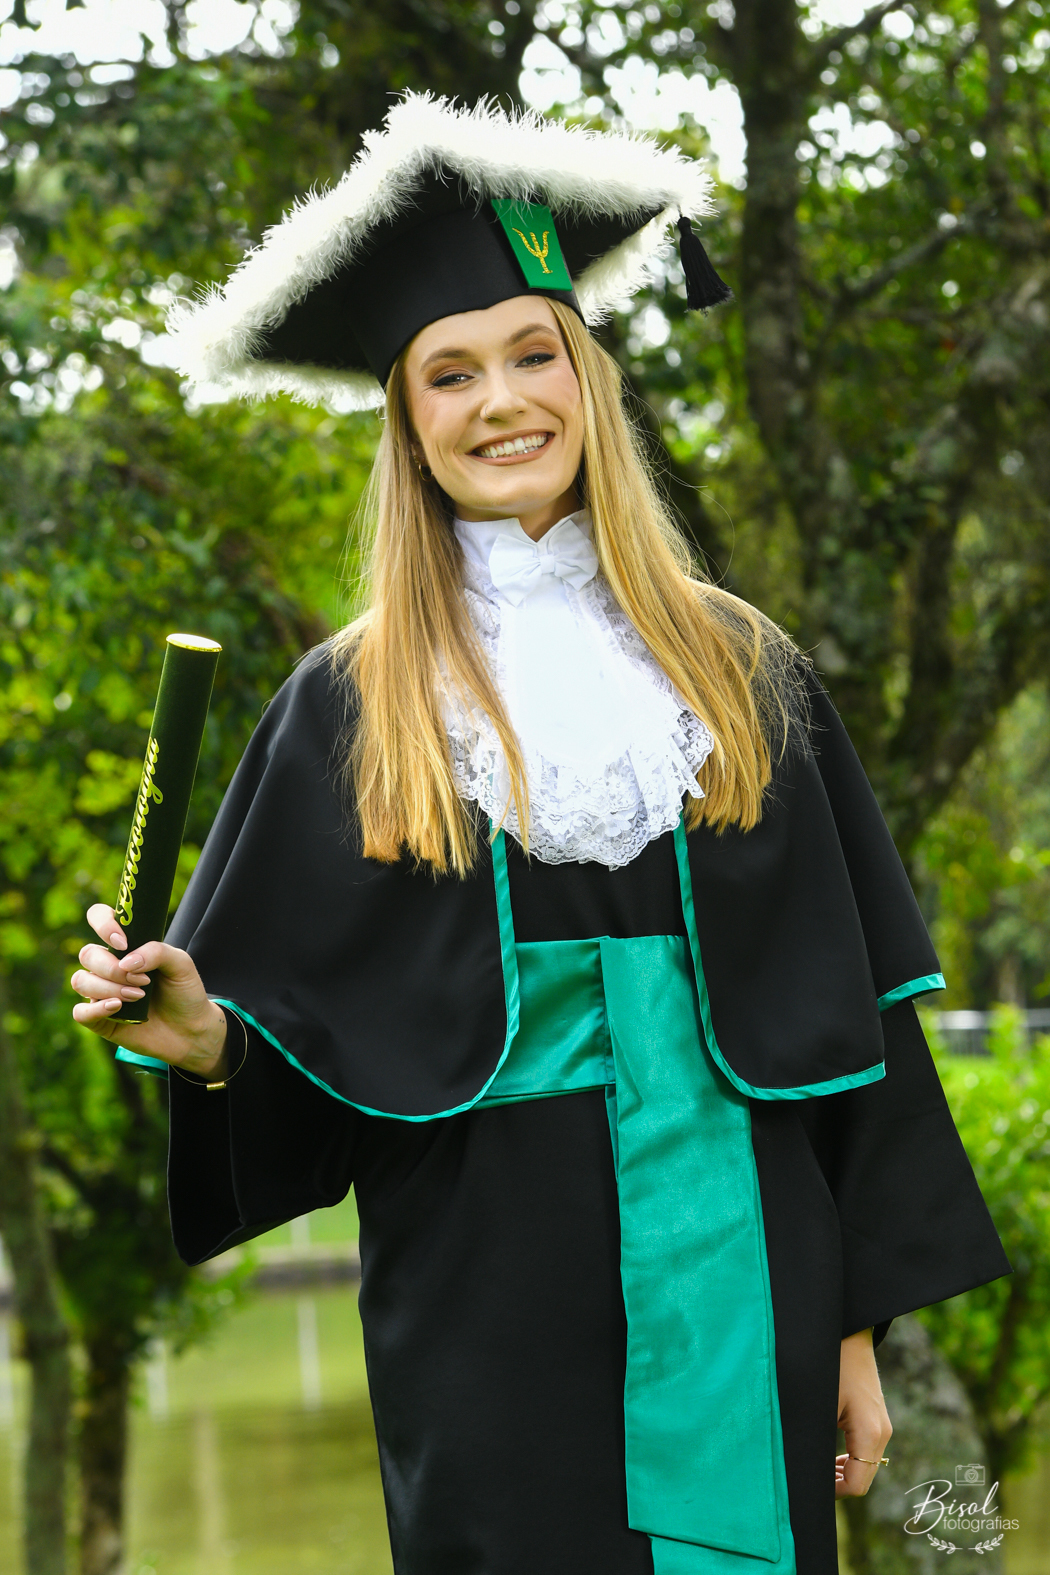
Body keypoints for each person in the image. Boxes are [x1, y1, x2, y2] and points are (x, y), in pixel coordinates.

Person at [71, 95, 1008, 1575]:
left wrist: (852, 1328)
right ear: (407, 417)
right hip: (481, 1306)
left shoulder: (739, 673)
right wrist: (213, 1045)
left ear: (591, 377)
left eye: (534, 354)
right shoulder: (350, 709)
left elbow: (857, 1033)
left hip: (745, 1278)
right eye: (450, 373)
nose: (501, 400)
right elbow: (324, 1057)